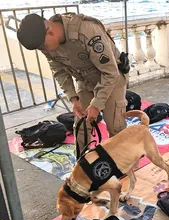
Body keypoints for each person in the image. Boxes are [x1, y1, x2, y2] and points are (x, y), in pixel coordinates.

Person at [17, 12, 130, 153]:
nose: (43, 50)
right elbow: (59, 71)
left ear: (50, 32)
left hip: (111, 79)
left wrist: (96, 104)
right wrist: (73, 98)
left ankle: (123, 164)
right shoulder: (46, 43)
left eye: (43, 47)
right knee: (81, 126)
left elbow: (110, 73)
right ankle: (81, 164)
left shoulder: (87, 31)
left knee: (115, 126)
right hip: (86, 81)